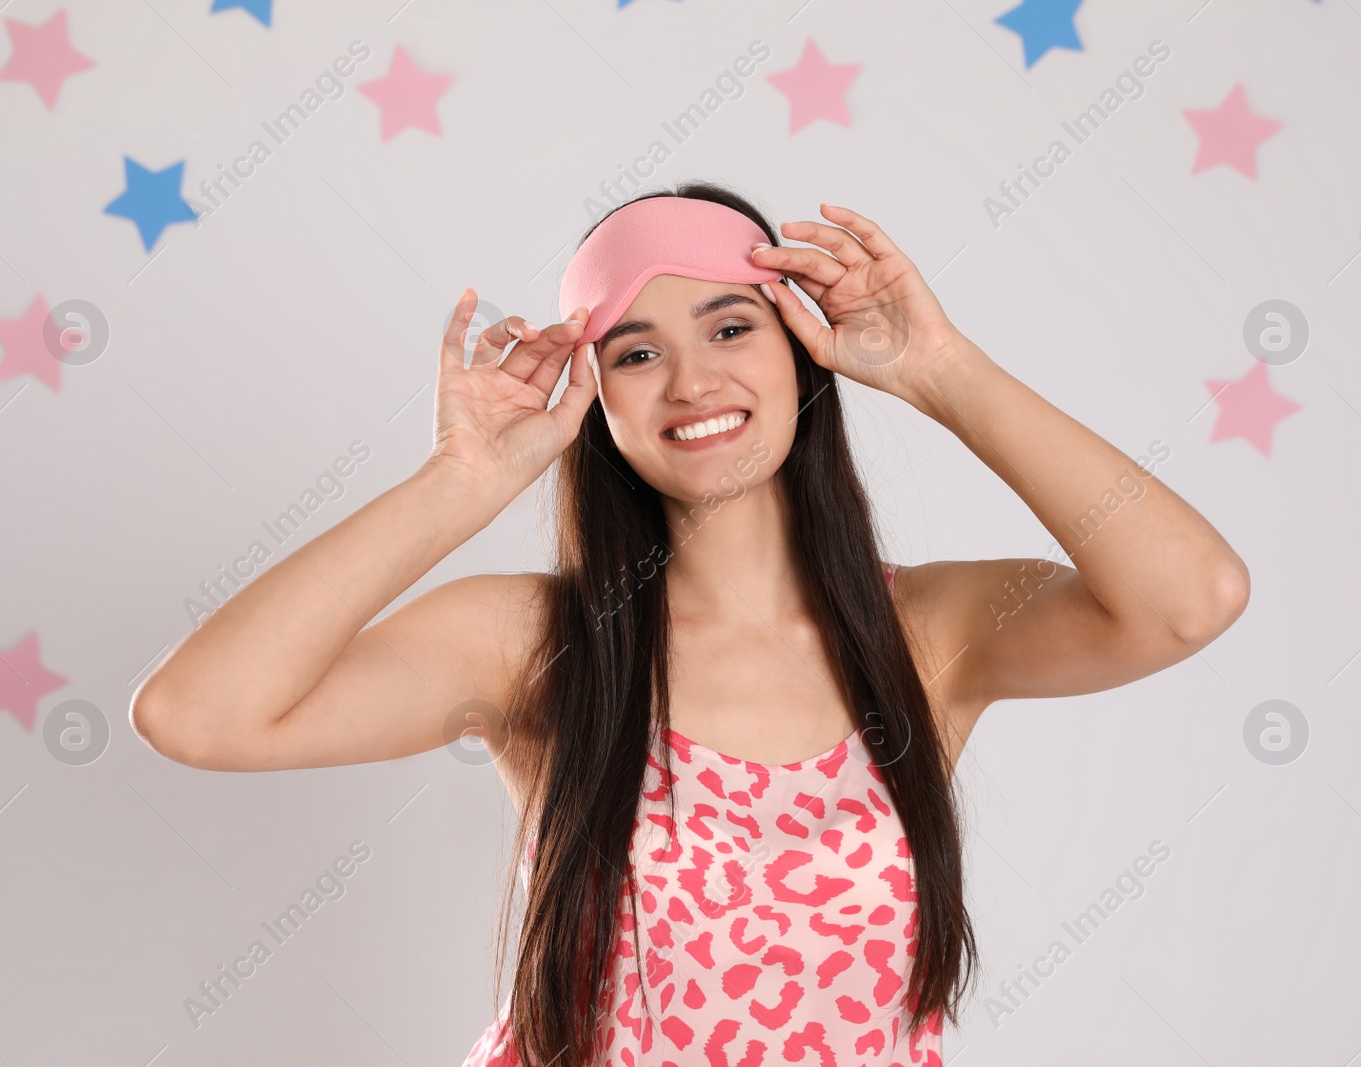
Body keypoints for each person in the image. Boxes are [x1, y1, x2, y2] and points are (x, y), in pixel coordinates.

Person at [131, 180, 1250, 1066]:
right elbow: (196, 713)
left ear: (799, 350)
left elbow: (1190, 594)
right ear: (596, 394)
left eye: (729, 325)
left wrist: (938, 368)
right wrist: (458, 478)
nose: (690, 378)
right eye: (635, 350)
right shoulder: (533, 640)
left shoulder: (933, 630)